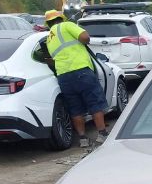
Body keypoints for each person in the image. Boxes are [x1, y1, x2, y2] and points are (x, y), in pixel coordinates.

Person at [43, 9, 109, 147]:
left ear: (48, 23)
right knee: (95, 103)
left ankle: (83, 139)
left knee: (75, 109)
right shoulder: (67, 25)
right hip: (81, 70)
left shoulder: (49, 37)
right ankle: (102, 134)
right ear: (61, 18)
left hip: (63, 76)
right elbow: (85, 38)